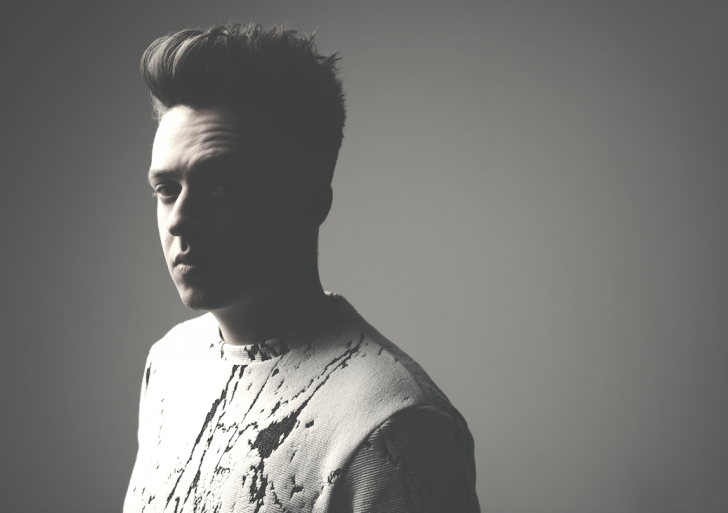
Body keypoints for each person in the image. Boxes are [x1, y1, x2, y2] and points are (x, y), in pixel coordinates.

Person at [124, 23, 480, 513]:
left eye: (222, 187)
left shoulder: (394, 427)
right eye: (166, 190)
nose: (179, 219)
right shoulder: (170, 364)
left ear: (311, 201)